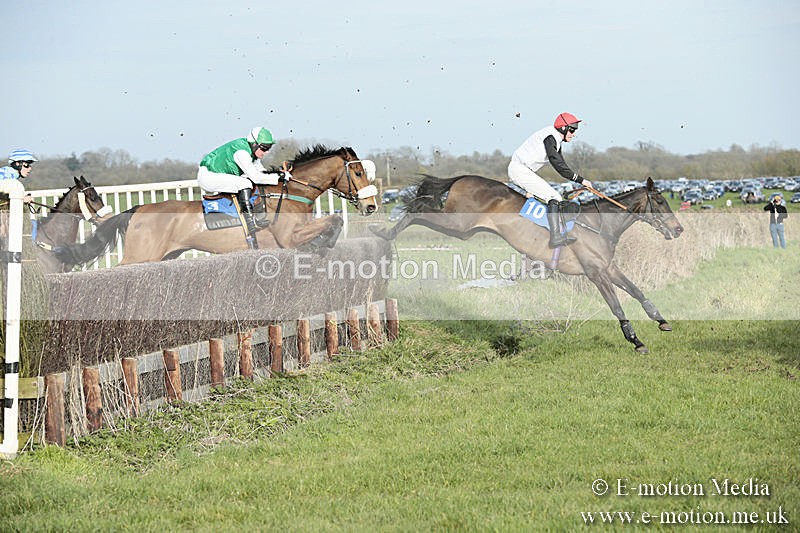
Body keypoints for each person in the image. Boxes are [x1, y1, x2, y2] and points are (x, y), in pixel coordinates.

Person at [508, 113, 594, 248]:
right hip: (520, 170)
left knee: (555, 198)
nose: (573, 134)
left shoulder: (555, 139)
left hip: (523, 170)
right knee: (554, 197)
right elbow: (558, 164)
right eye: (572, 130)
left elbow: (562, 164)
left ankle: (545, 232)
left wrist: (579, 180)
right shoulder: (551, 137)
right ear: (563, 128)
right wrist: (581, 181)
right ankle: (555, 237)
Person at [197, 127, 291, 249]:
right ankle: (250, 221)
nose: (266, 152)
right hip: (208, 177)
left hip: (216, 174)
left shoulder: (252, 152)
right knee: (245, 183)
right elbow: (256, 177)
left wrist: (278, 174)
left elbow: (262, 172)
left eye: (269, 148)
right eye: (264, 148)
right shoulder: (242, 153)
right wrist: (279, 177)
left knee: (246, 182)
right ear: (254, 144)